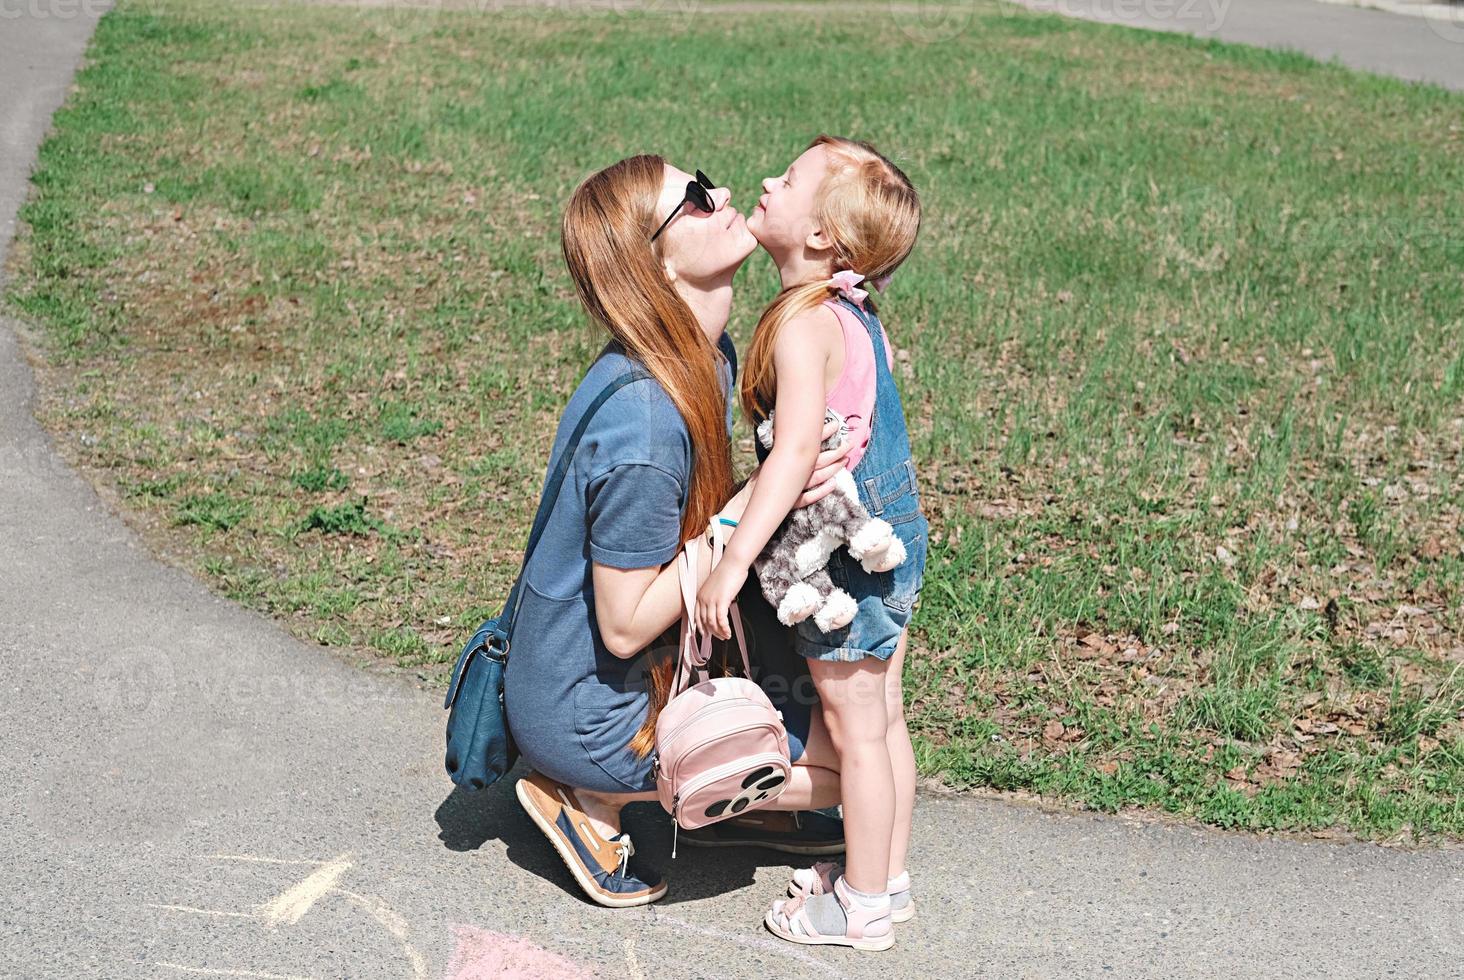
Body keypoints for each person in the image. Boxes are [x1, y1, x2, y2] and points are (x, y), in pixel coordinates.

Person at [505, 155, 852, 909]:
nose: (721, 194)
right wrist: (756, 494)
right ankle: (590, 797)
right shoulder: (647, 422)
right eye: (695, 200)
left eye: (705, 180)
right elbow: (625, 627)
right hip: (586, 710)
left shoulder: (704, 357)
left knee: (837, 707)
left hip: (615, 670)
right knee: (852, 767)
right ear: (656, 266)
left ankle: (718, 802)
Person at [694, 136, 927, 951]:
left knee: (856, 732)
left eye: (787, 180)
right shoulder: (858, 317)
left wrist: (728, 565)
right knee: (883, 720)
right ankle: (884, 878)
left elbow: (793, 457)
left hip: (842, 563)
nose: (766, 180)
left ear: (823, 237)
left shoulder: (803, 329)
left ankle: (857, 909)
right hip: (894, 538)